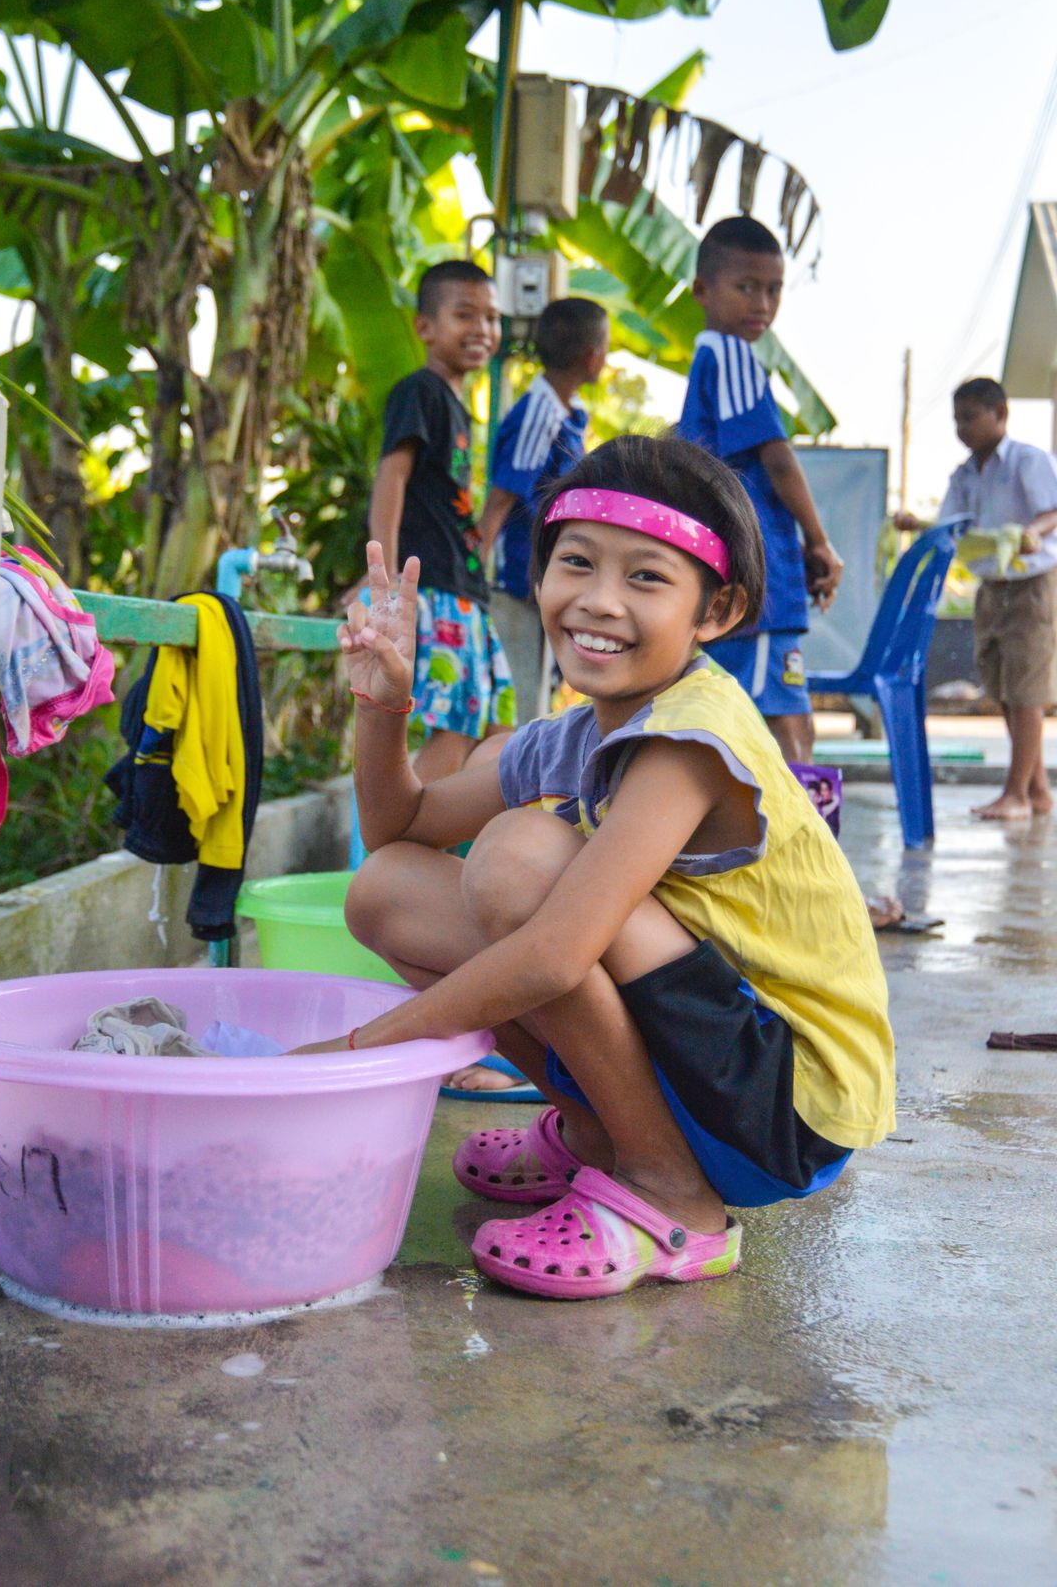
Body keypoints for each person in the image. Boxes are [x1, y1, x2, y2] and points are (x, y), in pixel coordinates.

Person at [300, 434, 894, 1302]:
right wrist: (384, 701)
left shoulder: (691, 736)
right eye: (576, 563)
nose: (599, 601)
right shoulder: (577, 732)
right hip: (714, 1053)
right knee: (385, 892)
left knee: (519, 860)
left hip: (788, 1101)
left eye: (647, 578)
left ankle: (673, 1197)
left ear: (716, 610)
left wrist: (353, 1054)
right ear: (540, 579)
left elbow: (554, 956)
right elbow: (403, 828)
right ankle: (594, 1132)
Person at [678, 215, 843, 765]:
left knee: (756, 710)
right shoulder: (732, 356)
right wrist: (819, 540)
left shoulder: (708, 362)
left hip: (741, 576)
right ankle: (801, 840)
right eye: (746, 287)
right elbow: (777, 457)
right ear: (702, 290)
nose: (762, 304)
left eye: (773, 290)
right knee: (781, 717)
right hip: (761, 581)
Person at [362, 259, 515, 783]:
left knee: (495, 731)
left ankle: (438, 846)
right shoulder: (420, 391)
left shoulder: (457, 404)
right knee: (455, 730)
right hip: (436, 589)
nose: (482, 330)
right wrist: (382, 580)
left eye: (492, 318)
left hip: (466, 587)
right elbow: (392, 478)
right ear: (425, 327)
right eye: (465, 315)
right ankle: (402, 846)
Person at [897, 376, 1057, 821]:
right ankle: (1038, 788)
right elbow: (953, 526)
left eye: (971, 418)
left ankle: (1017, 795)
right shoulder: (965, 474)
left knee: (1027, 690)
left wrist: (1032, 532)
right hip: (992, 589)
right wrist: (918, 524)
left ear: (1000, 414)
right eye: (957, 420)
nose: (962, 429)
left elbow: (1053, 508)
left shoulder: (1027, 461)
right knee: (1004, 686)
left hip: (1031, 585)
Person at [480, 297, 608, 721]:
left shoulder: (566, 414)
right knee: (517, 700)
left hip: (540, 578)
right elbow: (502, 496)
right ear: (592, 357)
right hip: (516, 578)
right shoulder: (540, 411)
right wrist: (476, 570)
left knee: (534, 697)